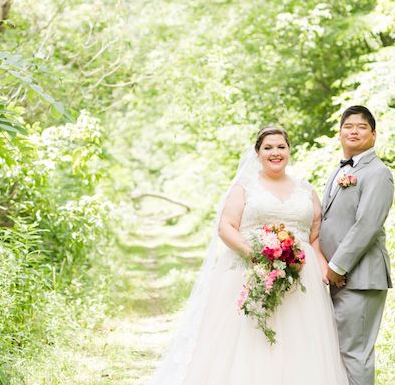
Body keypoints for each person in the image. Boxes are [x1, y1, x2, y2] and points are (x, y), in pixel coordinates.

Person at [148, 126, 348, 384]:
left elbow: (313, 239)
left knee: (298, 341)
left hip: (301, 278)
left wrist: (327, 271)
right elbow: (226, 227)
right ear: (258, 153)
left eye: (280, 147)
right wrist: (255, 255)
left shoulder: (306, 191)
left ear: (289, 151)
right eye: (268, 148)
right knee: (249, 338)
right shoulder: (244, 187)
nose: (275, 152)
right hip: (250, 272)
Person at [319, 106, 394, 385]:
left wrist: (336, 265)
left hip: (359, 277)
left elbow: (367, 225)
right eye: (348, 126)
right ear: (339, 133)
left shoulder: (378, 172)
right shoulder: (341, 170)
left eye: (361, 127)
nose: (353, 131)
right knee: (339, 351)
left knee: (355, 354)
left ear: (373, 135)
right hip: (337, 277)